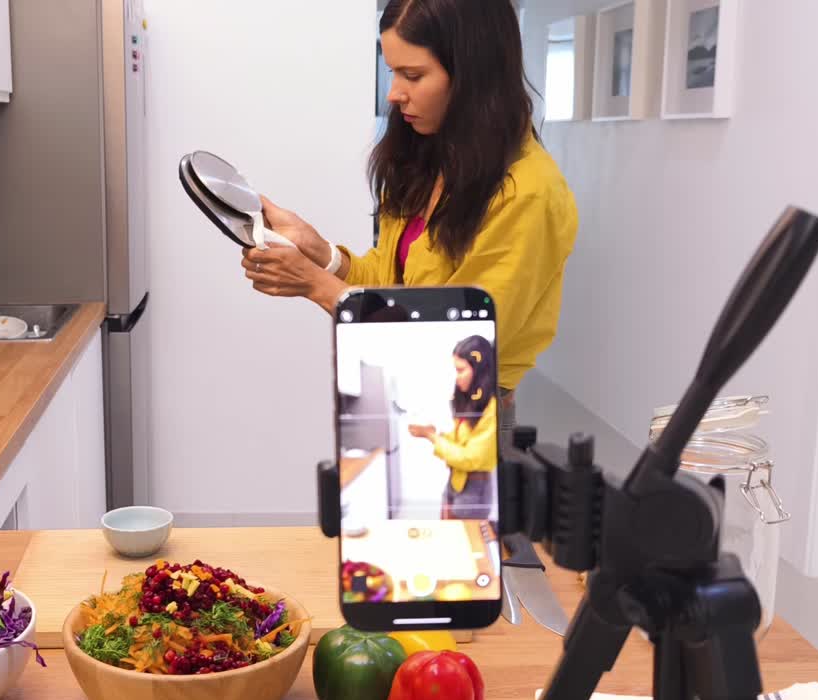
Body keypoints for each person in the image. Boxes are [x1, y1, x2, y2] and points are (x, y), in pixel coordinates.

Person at [240, 0, 579, 437]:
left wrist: (315, 285)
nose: (393, 93)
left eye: (413, 76)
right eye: (393, 71)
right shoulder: (432, 159)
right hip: (401, 400)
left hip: (466, 422)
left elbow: (458, 352)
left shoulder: (529, 192)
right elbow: (393, 289)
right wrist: (321, 253)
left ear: (474, 75)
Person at [408, 336, 497, 520]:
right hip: (455, 481)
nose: (456, 378)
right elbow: (462, 444)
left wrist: (432, 437)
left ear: (479, 369)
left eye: (461, 370)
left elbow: (470, 458)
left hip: (474, 489)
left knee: (464, 541)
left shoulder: (492, 408)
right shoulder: (470, 403)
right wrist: (435, 434)